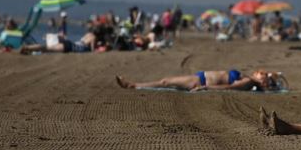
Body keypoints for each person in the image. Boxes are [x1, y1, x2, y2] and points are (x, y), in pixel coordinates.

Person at [116, 69, 286, 92]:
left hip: (201, 81)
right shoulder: (247, 78)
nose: (260, 72)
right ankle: (134, 85)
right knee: (166, 81)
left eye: (263, 74)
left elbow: (228, 87)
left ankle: (133, 85)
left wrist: (205, 88)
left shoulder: (248, 82)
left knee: (165, 82)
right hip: (201, 77)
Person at [20, 31, 96, 54]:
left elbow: (82, 41)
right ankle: (27, 48)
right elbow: (92, 50)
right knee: (47, 48)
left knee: (45, 48)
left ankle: (28, 49)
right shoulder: (93, 37)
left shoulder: (88, 34)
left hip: (70, 44)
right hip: (68, 46)